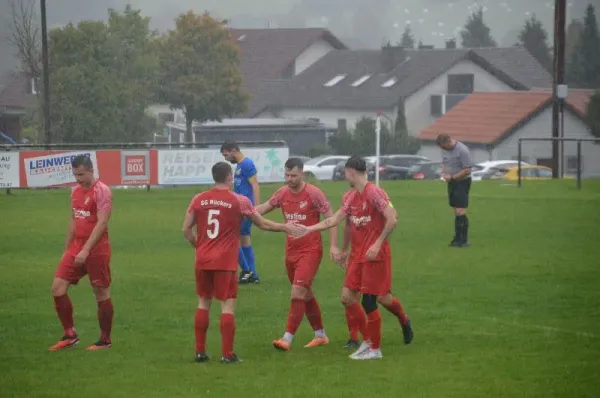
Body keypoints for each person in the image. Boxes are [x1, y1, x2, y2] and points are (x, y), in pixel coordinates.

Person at [291, 155, 414, 360]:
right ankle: (368, 341)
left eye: (345, 173)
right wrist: (309, 229)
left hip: (375, 256)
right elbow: (336, 220)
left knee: (373, 301)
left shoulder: (374, 192)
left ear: (351, 172)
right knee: (347, 298)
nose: (344, 176)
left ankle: (376, 348)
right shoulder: (350, 196)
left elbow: (393, 219)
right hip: (358, 256)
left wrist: (377, 243)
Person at [183, 161, 302, 364]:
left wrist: (200, 247)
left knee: (203, 302)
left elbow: (186, 229)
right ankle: (227, 354)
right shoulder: (239, 200)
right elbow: (262, 223)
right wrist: (285, 227)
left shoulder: (198, 199)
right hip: (226, 262)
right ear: (230, 177)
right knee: (227, 306)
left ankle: (200, 352)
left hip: (203, 260)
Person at [255, 157, 341, 351]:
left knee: (298, 292)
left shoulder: (314, 194)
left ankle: (287, 338)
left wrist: (333, 246)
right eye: (286, 175)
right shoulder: (282, 193)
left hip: (310, 250)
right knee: (306, 293)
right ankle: (320, 335)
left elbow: (332, 220)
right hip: (291, 251)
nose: (289, 179)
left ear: (302, 173)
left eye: (293, 175)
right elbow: (263, 208)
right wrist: (245, 211)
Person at [49, 155, 114, 351]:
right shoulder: (75, 192)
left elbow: (102, 223)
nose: (78, 179)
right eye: (75, 174)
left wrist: (86, 250)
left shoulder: (102, 191)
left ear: (91, 170)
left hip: (97, 250)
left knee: (100, 292)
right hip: (77, 247)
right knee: (57, 288)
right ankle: (70, 335)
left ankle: (105, 341)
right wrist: (67, 249)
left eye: (81, 174)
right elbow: (73, 220)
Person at [221, 141, 260, 284]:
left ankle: (248, 271)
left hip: (244, 209)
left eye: (226, 155)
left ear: (233, 150)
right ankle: (252, 275)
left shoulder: (246, 164)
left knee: (231, 239)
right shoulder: (239, 166)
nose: (225, 158)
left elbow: (255, 185)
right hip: (240, 208)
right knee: (244, 240)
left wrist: (256, 208)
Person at [436, 134, 473, 247]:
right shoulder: (445, 149)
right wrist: (443, 173)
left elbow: (467, 170)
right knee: (455, 210)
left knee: (460, 211)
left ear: (449, 141)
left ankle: (464, 239)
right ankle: (457, 238)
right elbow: (444, 162)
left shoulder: (462, 150)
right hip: (451, 182)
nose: (443, 149)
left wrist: (452, 177)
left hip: (462, 182)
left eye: (444, 147)